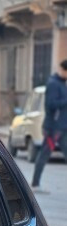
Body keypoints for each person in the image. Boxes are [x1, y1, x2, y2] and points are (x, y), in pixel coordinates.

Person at [31, 59, 67, 191]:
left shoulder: (63, 84)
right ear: (63, 70)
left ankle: (35, 183)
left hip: (63, 127)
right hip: (53, 128)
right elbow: (50, 105)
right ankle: (35, 183)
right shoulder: (53, 84)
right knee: (44, 154)